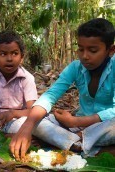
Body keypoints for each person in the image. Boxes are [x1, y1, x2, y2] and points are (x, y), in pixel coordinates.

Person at [10, 18, 115, 160]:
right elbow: (50, 96)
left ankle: (71, 142)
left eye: (93, 50)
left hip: (102, 127)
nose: (85, 56)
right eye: (81, 49)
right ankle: (82, 145)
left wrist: (76, 122)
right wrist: (27, 126)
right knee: (24, 122)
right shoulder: (75, 67)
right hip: (77, 128)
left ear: (111, 50)